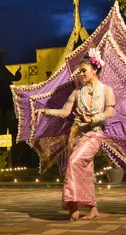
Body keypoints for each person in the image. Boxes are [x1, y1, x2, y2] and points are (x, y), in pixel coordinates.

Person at [34, 48, 115, 221]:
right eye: (79, 72)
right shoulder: (77, 92)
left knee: (74, 162)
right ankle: (93, 208)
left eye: (84, 70)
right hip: (76, 134)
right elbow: (64, 112)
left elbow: (110, 112)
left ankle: (73, 204)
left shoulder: (107, 90)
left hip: (94, 134)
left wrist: (94, 118)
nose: (81, 74)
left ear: (94, 69)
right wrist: (45, 111)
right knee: (85, 169)